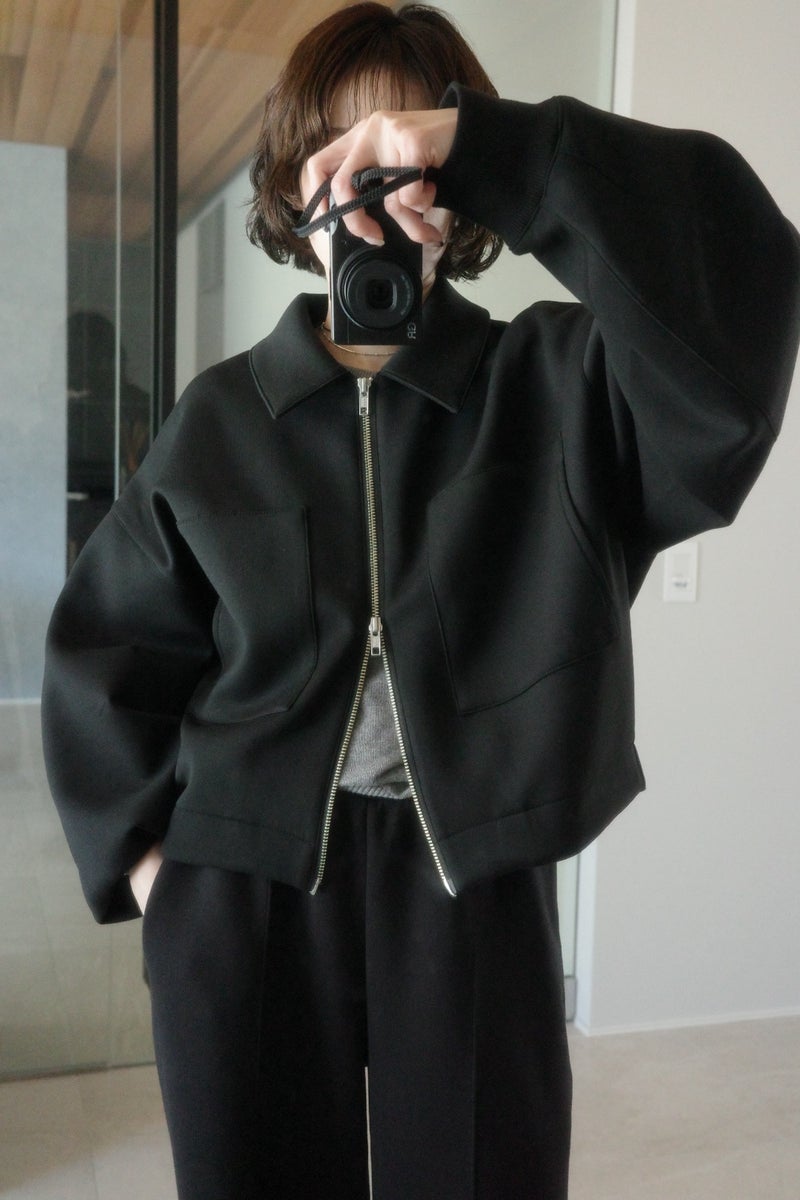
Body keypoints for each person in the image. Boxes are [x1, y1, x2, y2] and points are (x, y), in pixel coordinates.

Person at [41, 4, 800, 1198]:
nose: (373, 188)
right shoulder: (221, 416)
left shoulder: (556, 385)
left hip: (470, 882)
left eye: (405, 153)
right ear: (292, 190)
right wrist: (154, 869)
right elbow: (109, 645)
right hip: (241, 883)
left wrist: (503, 154)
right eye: (340, 154)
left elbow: (733, 302)